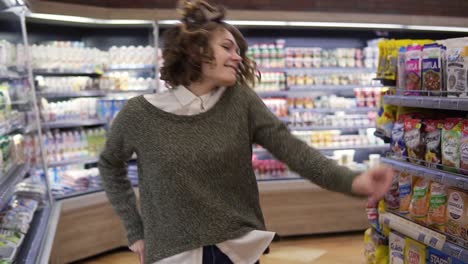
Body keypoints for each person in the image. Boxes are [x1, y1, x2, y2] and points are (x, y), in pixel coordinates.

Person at [98, 1, 394, 263]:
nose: (238, 57)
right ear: (196, 51)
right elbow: (110, 164)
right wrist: (135, 230)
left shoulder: (241, 102)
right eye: (227, 47)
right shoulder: (140, 114)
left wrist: (355, 182)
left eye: (238, 50)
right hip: (173, 253)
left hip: (236, 251)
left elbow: (292, 150)